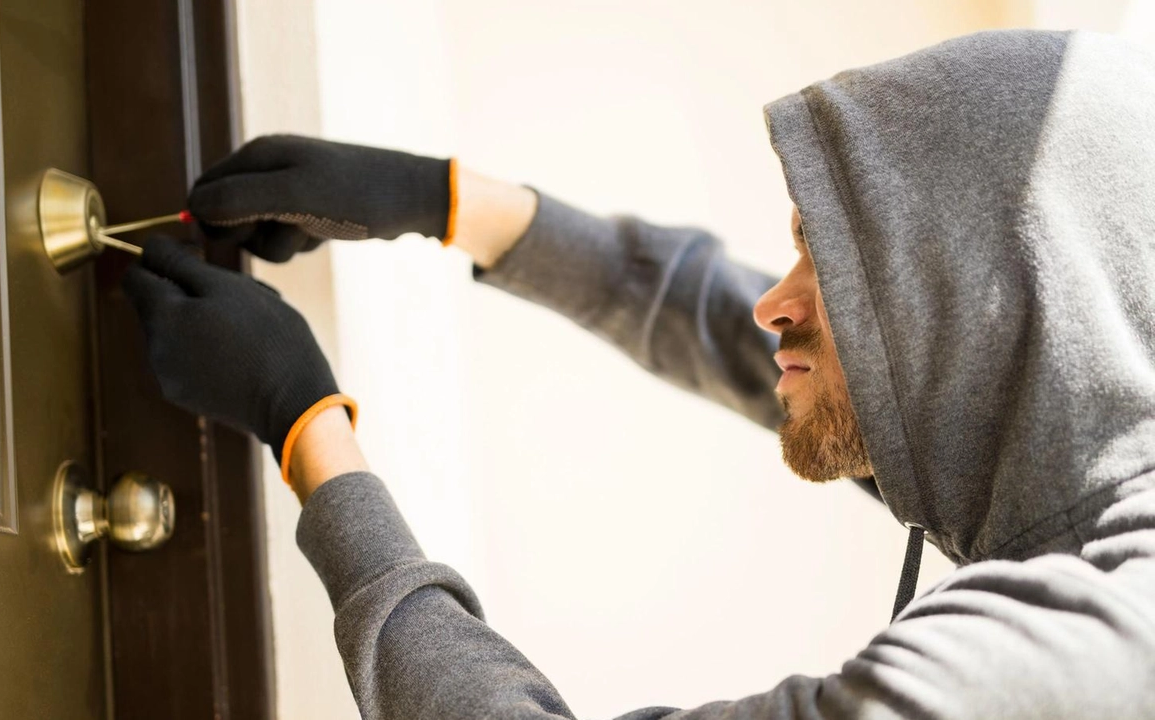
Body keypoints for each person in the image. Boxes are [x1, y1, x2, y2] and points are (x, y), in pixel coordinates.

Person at [122, 29, 1155, 719]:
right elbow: (745, 338)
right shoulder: (1077, 463)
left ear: (979, 302)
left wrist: (310, 430)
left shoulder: (1067, 657)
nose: (773, 301)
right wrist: (443, 202)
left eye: (829, 265)